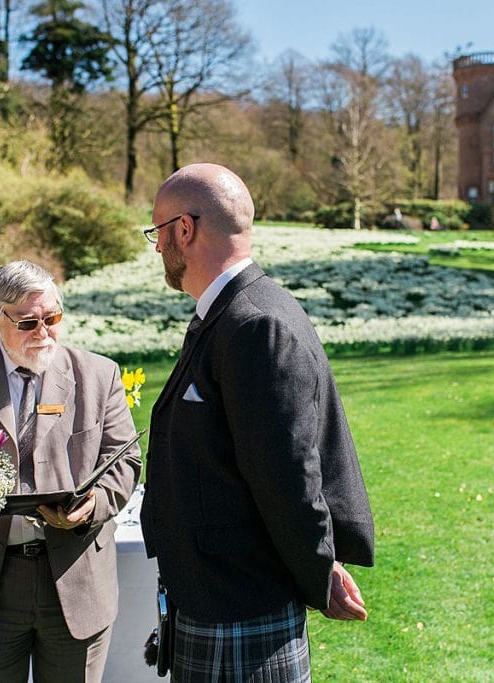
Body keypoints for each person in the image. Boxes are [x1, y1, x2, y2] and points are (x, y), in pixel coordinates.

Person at [140, 163, 376, 681]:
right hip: (214, 597)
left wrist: (319, 572)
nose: (156, 247)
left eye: (157, 231)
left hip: (238, 604)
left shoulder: (255, 323)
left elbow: (288, 476)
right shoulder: (229, 313)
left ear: (185, 229)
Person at [0, 260, 141, 683]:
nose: (43, 332)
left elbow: (125, 460)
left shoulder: (98, 373)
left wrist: (92, 504)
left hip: (74, 581)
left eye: (52, 318)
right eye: (27, 322)